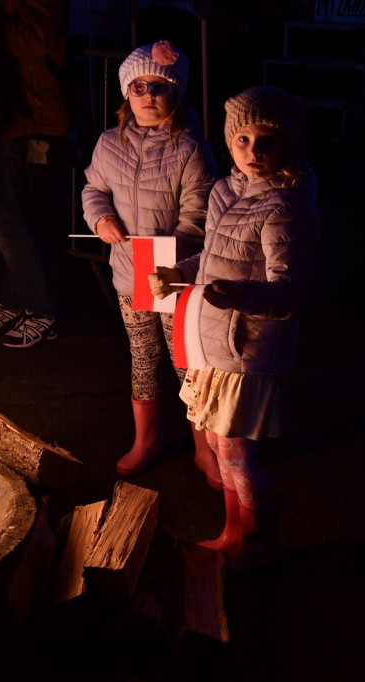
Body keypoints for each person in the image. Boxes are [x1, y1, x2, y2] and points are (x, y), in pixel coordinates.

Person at [150, 85, 321, 571]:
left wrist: (243, 295)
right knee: (222, 447)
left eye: (267, 139)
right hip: (214, 343)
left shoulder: (288, 207)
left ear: (288, 143)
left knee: (239, 454)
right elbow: (213, 259)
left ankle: (261, 540)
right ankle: (232, 531)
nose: (253, 150)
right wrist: (180, 274)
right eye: (242, 138)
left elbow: (291, 292)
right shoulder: (229, 190)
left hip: (247, 349)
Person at [81, 39, 218, 478]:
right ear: (126, 93)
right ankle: (147, 440)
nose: (148, 96)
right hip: (129, 276)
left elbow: (200, 216)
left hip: (174, 278)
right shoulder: (108, 143)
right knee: (143, 358)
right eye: (138, 87)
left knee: (187, 363)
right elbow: (93, 190)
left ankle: (206, 446)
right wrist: (101, 220)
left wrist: (169, 261)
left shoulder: (192, 149)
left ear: (176, 93)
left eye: (158, 87)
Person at [0, 0, 69, 348]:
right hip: (8, 117)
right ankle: (14, 302)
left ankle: (40, 309)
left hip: (32, 118)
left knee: (9, 218)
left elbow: (35, 38)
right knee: (7, 216)